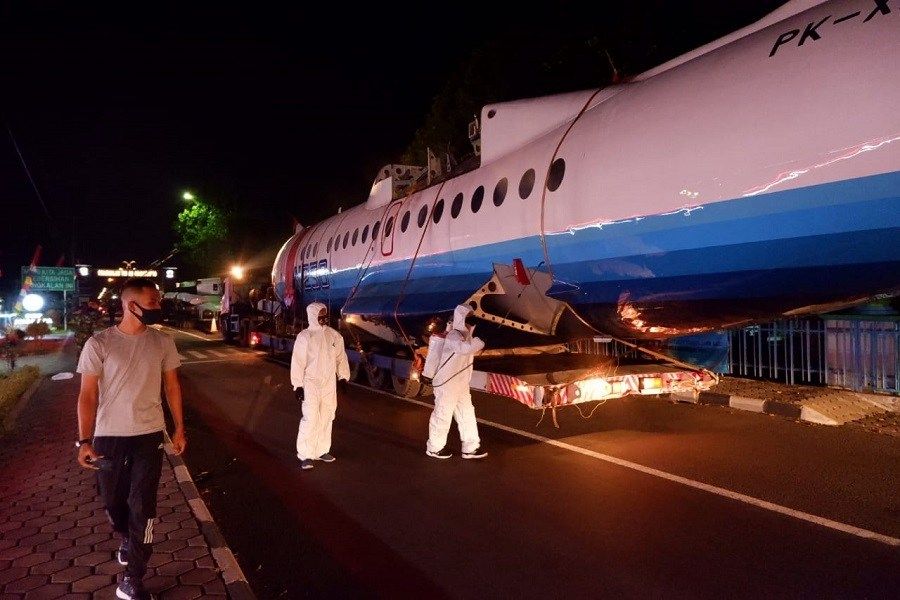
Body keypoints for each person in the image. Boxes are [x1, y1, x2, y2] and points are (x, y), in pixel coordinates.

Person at [76, 278, 186, 600]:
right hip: (109, 436)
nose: (158, 306)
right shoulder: (99, 343)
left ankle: (133, 578)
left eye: (158, 301)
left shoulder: (162, 342)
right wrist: (83, 441)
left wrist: (179, 428)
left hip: (149, 435)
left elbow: (172, 387)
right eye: (153, 301)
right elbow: (87, 394)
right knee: (113, 502)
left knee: (143, 507)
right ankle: (126, 536)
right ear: (131, 305)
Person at [291, 302, 350, 470]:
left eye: (325, 314)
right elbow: (298, 362)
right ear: (313, 316)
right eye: (320, 315)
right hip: (310, 383)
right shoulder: (305, 337)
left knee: (327, 415)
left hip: (328, 384)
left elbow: (341, 358)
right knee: (310, 418)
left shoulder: (334, 336)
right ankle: (305, 454)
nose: (324, 318)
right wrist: (298, 385)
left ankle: (322, 450)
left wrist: (343, 378)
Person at [426, 304, 488, 460]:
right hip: (447, 383)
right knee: (443, 415)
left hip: (460, 384)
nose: (471, 322)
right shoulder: (454, 335)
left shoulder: (466, 336)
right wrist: (481, 341)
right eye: (468, 319)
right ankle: (434, 448)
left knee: (467, 413)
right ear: (461, 319)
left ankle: (470, 448)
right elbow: (463, 349)